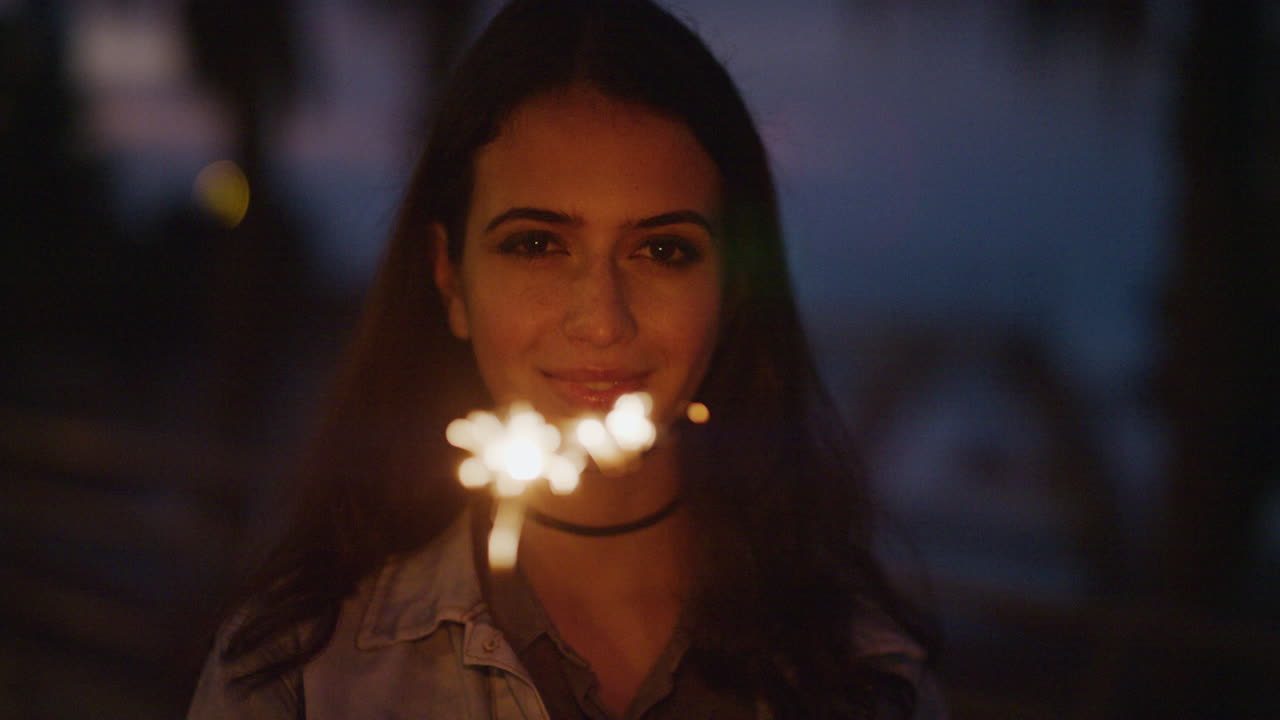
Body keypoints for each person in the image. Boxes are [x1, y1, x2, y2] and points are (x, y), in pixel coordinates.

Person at [187, 0, 943, 718]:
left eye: (663, 250)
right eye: (537, 244)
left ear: (733, 290)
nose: (603, 322)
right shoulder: (299, 677)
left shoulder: (863, 679)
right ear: (451, 279)